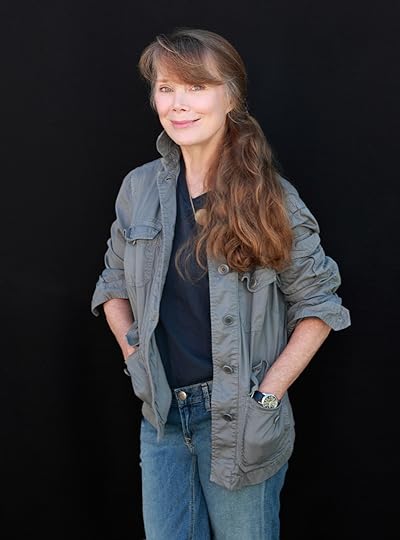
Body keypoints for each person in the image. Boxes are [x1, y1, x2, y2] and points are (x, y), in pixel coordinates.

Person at [91, 28, 351, 540]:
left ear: (230, 97)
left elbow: (319, 304)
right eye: (166, 88)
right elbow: (112, 281)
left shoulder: (271, 197)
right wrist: (134, 355)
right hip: (162, 417)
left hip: (241, 419)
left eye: (196, 87)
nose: (178, 103)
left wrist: (266, 398)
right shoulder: (138, 189)